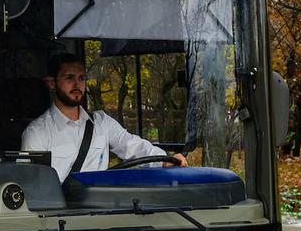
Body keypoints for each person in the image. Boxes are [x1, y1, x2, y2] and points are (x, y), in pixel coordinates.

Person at [21, 53, 188, 183]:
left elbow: (132, 145)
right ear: (51, 83)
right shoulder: (36, 133)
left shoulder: (102, 123)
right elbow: (33, 187)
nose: (77, 85)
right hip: (62, 221)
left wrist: (165, 160)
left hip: (102, 214)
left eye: (82, 78)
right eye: (69, 78)